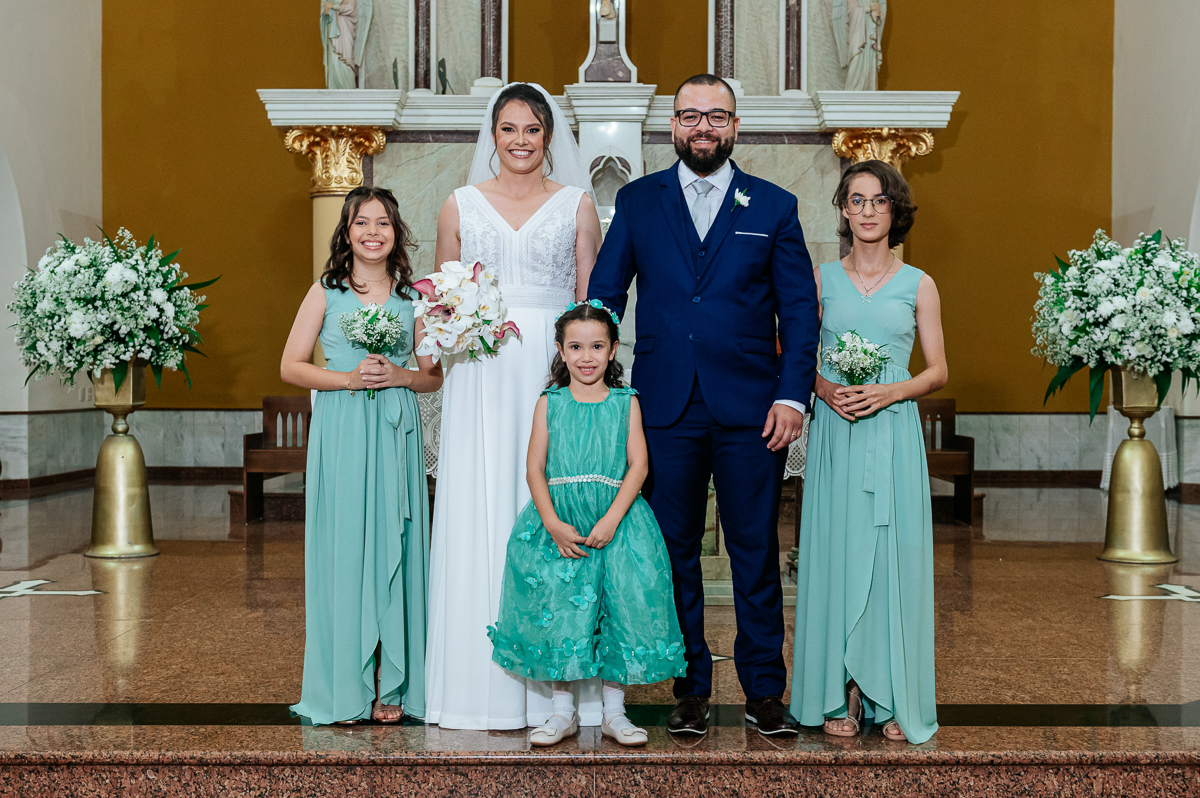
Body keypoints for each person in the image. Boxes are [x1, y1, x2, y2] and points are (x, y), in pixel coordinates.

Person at [588, 74, 820, 737]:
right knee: (674, 554)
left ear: (735, 126)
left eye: (716, 117)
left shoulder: (773, 206)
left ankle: (765, 689)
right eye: (690, 116)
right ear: (673, 127)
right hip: (663, 407)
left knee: (755, 553)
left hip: (754, 410)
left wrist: (791, 395)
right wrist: (596, 371)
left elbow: (799, 312)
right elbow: (607, 293)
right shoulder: (638, 201)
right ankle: (688, 688)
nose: (703, 129)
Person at [425, 83, 606, 730]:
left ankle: (558, 693)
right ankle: (477, 687)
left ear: (550, 137)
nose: (521, 141)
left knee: (547, 507)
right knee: (481, 508)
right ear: (493, 135)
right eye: (510, 129)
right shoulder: (459, 207)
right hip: (481, 372)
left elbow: (591, 307)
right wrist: (451, 330)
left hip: (550, 375)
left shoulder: (577, 206)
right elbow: (439, 302)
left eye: (533, 129)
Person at [790, 159, 944, 744]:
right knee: (837, 556)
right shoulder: (820, 279)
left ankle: (889, 693)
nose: (867, 211)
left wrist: (890, 390)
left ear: (895, 210)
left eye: (878, 201)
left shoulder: (919, 284)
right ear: (843, 211)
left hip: (893, 434)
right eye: (856, 200)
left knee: (890, 562)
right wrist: (825, 388)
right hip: (836, 437)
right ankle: (837, 692)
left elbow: (938, 369)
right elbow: (798, 356)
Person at [487, 301, 687, 746]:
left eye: (597, 346)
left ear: (613, 349)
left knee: (621, 609)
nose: (587, 356)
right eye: (575, 347)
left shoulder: (625, 401)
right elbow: (534, 469)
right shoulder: (550, 402)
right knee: (562, 609)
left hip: (617, 519)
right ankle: (563, 713)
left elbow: (638, 466)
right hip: (562, 519)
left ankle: (615, 712)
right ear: (560, 350)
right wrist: (553, 523)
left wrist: (613, 519)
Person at [282, 186, 442, 725]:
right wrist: (348, 379)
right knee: (348, 547)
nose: (373, 232)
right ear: (346, 232)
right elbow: (291, 366)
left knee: (394, 547)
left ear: (396, 234)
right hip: (345, 428)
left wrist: (399, 375)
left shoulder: (412, 297)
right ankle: (346, 682)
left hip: (395, 430)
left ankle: (392, 685)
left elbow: (431, 374)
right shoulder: (324, 293)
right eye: (361, 223)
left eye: (383, 224)